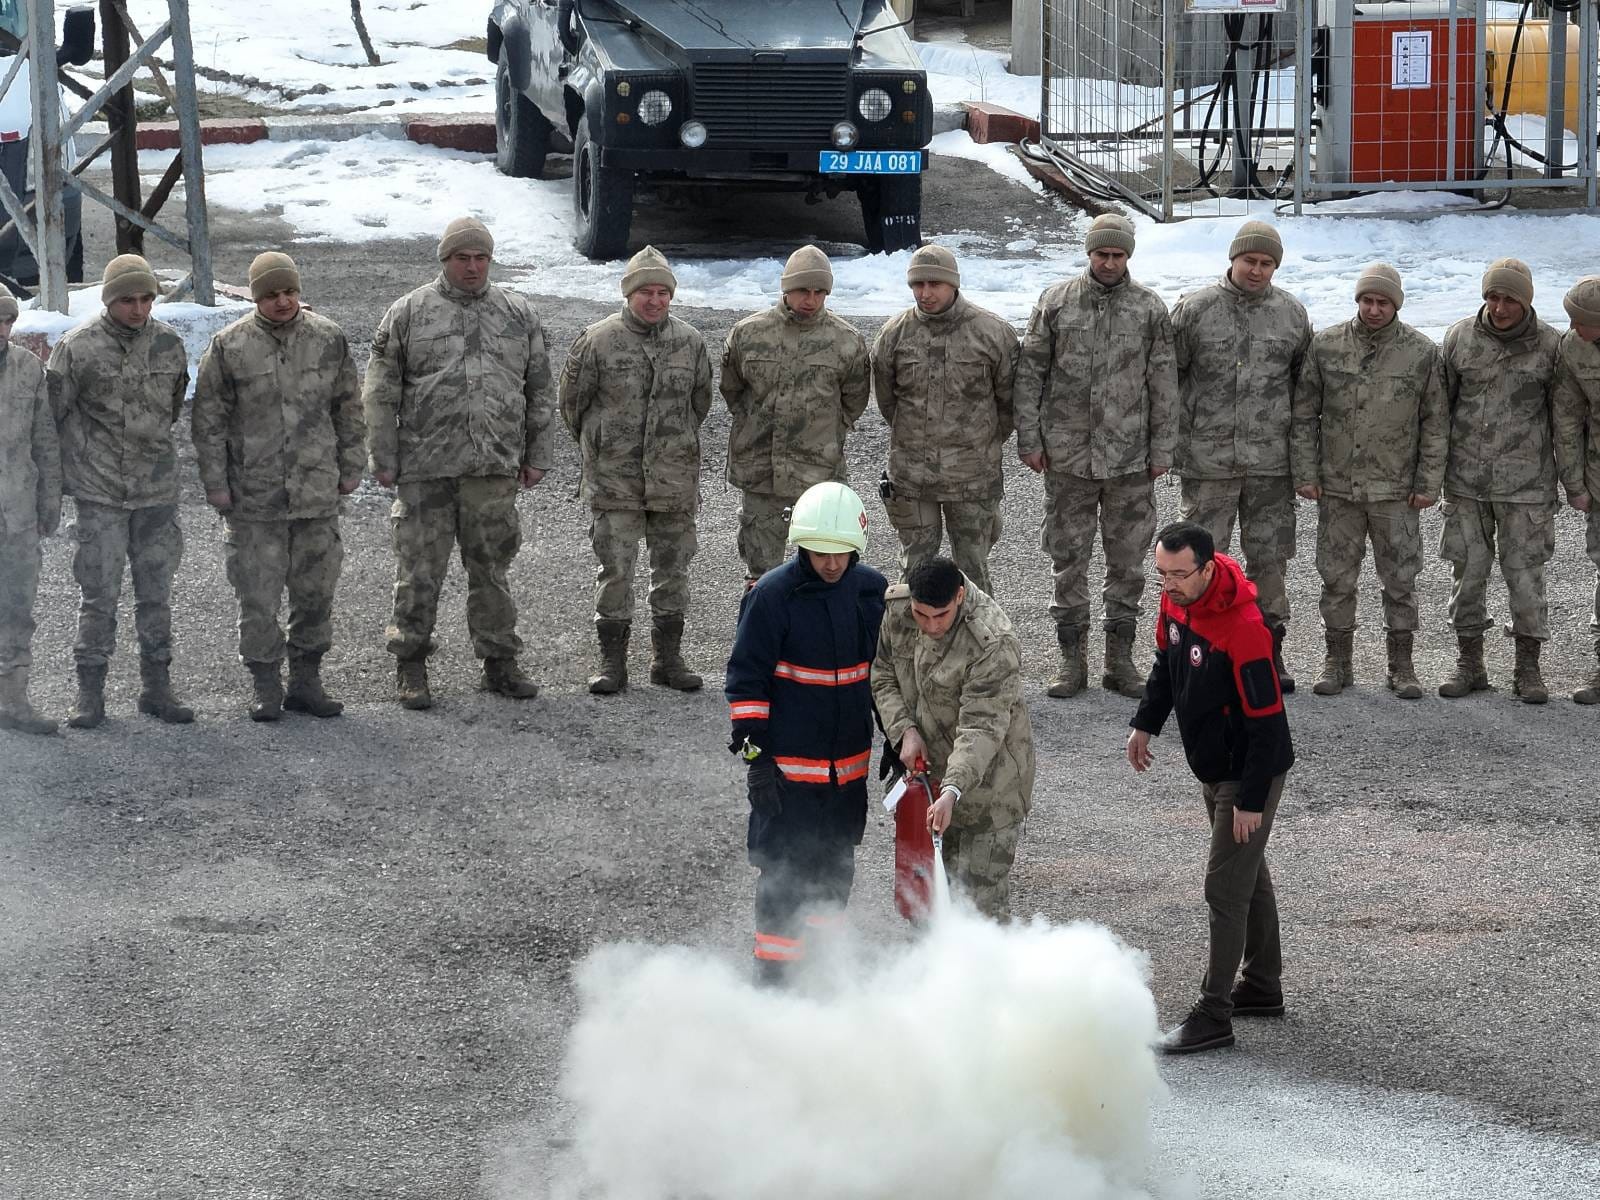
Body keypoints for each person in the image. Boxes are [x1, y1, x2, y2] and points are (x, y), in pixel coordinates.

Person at [363, 217, 554, 709]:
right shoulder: (408, 313)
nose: (472, 267)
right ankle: (411, 663)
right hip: (425, 469)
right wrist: (382, 456)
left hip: (492, 467)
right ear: (444, 260)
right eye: (462, 258)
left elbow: (538, 390)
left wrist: (538, 454)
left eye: (480, 258)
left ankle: (499, 662)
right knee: (419, 571)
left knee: (491, 570)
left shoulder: (518, 313)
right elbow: (380, 394)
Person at [1127, 520, 1294, 1055]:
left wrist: (1249, 799)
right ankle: (1263, 987)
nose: (1169, 585)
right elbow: (1164, 665)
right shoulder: (1175, 603)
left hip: (1247, 774)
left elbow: (1269, 723)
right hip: (1214, 765)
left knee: (1224, 890)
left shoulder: (1245, 627)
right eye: (1161, 574)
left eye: (1179, 575)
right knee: (1249, 876)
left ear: (1207, 566)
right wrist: (1145, 721)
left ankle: (1214, 1013)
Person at [723, 482, 887, 984]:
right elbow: (746, 680)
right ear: (801, 544)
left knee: (835, 872)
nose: (831, 564)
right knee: (783, 879)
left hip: (847, 775)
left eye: (841, 554)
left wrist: (899, 739)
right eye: (821, 553)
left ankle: (821, 971)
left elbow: (887, 677)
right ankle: (772, 981)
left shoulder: (871, 592)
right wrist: (756, 760)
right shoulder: (772, 597)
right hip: (788, 778)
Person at [192, 251, 364, 721]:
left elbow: (349, 407)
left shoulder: (329, 339)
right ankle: (265, 683)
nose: (283, 301)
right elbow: (208, 423)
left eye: (289, 292)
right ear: (255, 297)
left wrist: (352, 465)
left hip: (315, 494)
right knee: (258, 595)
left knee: (315, 592)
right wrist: (216, 486)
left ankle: (306, 680)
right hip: (255, 498)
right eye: (271, 294)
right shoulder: (229, 347)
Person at [1014, 213, 1178, 698]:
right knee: (1068, 558)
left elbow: (1164, 384)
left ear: (1129, 256)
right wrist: (1030, 439)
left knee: (1127, 561)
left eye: (1118, 254)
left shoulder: (1149, 309)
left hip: (1129, 459)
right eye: (1102, 253)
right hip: (1068, 458)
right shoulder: (1056, 302)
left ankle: (1119, 660)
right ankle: (1071, 660)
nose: (1109, 262)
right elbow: (1031, 374)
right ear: (1089, 253)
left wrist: (1162, 448)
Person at [560, 245, 713, 694]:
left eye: (663, 292)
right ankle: (613, 664)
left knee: (673, 570)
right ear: (629, 294)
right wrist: (604, 447)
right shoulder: (597, 340)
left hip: (673, 480)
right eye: (646, 291)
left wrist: (673, 446)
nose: (655, 300)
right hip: (615, 480)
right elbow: (572, 405)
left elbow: (699, 403)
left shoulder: (690, 342)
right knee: (616, 571)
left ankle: (668, 661)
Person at [1291, 263, 1447, 699]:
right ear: (1357, 301)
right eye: (1367, 300)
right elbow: (1305, 414)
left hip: (1395, 490)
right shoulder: (1327, 346)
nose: (1374, 309)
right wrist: (1306, 472)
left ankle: (1402, 666)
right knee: (1336, 577)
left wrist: (1428, 481)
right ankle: (1337, 661)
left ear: (1396, 303)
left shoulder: (1420, 352)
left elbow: (1435, 422)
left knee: (1400, 580)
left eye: (1382, 302)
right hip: (1338, 487)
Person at [49, 254, 193, 728]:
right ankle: (90, 695)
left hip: (155, 492)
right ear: (109, 300)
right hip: (101, 493)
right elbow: (55, 418)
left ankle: (157, 689)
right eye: (127, 300)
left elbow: (172, 408)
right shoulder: (77, 348)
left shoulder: (170, 345)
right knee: (99, 595)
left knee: (156, 595)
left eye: (146, 298)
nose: (138, 309)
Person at [1171, 220, 1312, 692]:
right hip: (1209, 462)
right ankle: (1203, 653)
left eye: (1266, 263)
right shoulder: (1194, 311)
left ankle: (1268, 651)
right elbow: (1170, 381)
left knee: (1269, 560)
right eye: (1249, 260)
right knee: (1204, 561)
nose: (1257, 270)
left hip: (1271, 463)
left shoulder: (1292, 315)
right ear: (1232, 259)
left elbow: (1302, 388)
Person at [870, 557, 1034, 920]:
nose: (929, 626)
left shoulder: (992, 642)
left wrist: (952, 789)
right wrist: (904, 732)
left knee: (979, 910)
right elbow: (882, 675)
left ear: (960, 596)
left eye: (940, 616)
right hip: (926, 780)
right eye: (921, 614)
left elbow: (982, 725)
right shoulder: (898, 611)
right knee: (924, 900)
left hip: (989, 789)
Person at [1437, 258, 1562, 703]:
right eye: (1492, 296)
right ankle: (1469, 662)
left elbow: (1564, 417)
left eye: (1510, 298)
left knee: (1525, 577)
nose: (1500, 306)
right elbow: (1439, 411)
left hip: (1526, 485)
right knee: (1467, 574)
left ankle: (1528, 668)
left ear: (1526, 300)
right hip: (1466, 481)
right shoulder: (1459, 338)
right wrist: (1434, 474)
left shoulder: (1551, 346)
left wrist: (1571, 480)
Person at [870, 245, 1018, 595]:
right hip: (911, 477)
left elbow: (1010, 403)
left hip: (972, 478)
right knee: (915, 571)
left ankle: (979, 647)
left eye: (934, 284)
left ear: (953, 284)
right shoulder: (894, 335)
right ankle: (913, 644)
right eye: (917, 285)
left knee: (973, 572)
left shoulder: (992, 333)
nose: (925, 293)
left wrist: (976, 442)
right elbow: (888, 401)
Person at [720, 245, 870, 590]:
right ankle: (760, 641)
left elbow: (853, 400)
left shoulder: (846, 341)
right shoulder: (748, 334)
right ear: (786, 288)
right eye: (803, 290)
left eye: (820, 292)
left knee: (824, 569)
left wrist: (823, 434)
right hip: (762, 473)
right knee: (760, 577)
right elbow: (733, 390)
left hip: (819, 472)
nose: (811, 299)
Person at [0, 281, 62, 735]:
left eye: (5, 320)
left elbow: (45, 441)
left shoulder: (28, 368)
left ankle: (15, 700)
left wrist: (49, 503)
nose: (0, 329)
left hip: (16, 514)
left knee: (18, 607)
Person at [1554, 276, 1600, 705]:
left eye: (1579, 321)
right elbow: (1567, 420)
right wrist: (1574, 482)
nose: (1571, 327)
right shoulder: (1573, 348)